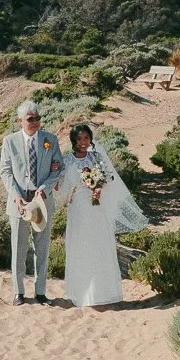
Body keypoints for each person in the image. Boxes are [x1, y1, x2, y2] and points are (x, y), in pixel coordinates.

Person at [54, 122, 147, 308]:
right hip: (78, 208)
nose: (83, 142)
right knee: (81, 247)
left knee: (99, 245)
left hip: (97, 207)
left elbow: (108, 178)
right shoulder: (68, 161)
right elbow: (62, 188)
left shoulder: (97, 158)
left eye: (86, 138)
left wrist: (98, 187)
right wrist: (55, 178)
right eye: (79, 138)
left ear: (90, 139)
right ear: (73, 140)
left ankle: (103, 293)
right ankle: (83, 293)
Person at [0, 99, 62, 305]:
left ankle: (41, 292)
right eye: (30, 119)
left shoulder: (50, 140)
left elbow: (57, 168)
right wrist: (16, 195)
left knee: (42, 249)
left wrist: (44, 189)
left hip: (41, 201)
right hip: (19, 203)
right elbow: (5, 171)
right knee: (19, 248)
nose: (35, 122)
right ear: (20, 121)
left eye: (38, 118)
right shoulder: (10, 141)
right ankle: (19, 292)